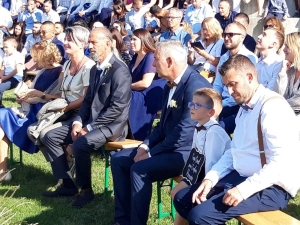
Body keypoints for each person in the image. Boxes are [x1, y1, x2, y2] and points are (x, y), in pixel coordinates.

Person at [173, 54, 300, 225]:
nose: (230, 91)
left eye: (233, 85)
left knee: (200, 216)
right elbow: (234, 152)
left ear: (249, 77)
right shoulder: (244, 107)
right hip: (243, 175)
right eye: (226, 86)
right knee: (183, 198)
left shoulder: (272, 107)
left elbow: (280, 163)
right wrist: (210, 178)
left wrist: (243, 190)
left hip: (273, 187)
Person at [110, 40, 211, 225]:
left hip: (187, 153)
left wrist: (150, 153)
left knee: (140, 169)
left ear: (170, 61)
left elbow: (185, 132)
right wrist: (145, 145)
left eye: (156, 59)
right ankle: (122, 220)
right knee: (119, 160)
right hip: (169, 147)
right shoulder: (169, 84)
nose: (154, 64)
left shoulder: (196, 86)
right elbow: (162, 125)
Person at [42, 27, 132, 208]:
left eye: (93, 42)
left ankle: (86, 190)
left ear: (108, 43)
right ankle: (68, 184)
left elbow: (117, 108)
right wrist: (78, 121)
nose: (90, 46)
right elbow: (88, 101)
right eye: (89, 42)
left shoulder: (119, 70)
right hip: (92, 122)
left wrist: (89, 128)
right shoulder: (95, 69)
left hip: (112, 126)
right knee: (50, 136)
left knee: (80, 144)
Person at [27, 25, 95, 163]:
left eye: (70, 40)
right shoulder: (67, 64)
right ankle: (64, 163)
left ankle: (65, 168)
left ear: (82, 44)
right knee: (32, 131)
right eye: (65, 39)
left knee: (46, 134)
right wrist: (44, 97)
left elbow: (86, 98)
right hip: (62, 109)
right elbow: (62, 94)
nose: (65, 43)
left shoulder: (89, 66)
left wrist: (66, 107)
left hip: (78, 114)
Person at [0, 41, 62, 182]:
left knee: (1, 119)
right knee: (0, 120)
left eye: (36, 56)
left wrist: (38, 94)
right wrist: (24, 96)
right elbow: (32, 91)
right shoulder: (42, 71)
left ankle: (3, 171)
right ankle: (2, 170)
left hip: (43, 112)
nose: (33, 59)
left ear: (45, 55)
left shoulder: (60, 71)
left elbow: (59, 97)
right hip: (30, 107)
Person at [171, 87, 231, 225]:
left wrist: (191, 185)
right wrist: (187, 179)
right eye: (191, 104)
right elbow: (195, 158)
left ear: (211, 112)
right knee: (178, 194)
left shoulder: (214, 132)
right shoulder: (199, 127)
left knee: (184, 198)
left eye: (197, 105)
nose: (192, 107)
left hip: (217, 181)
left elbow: (212, 166)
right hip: (200, 175)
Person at [213, 22, 257, 135]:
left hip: (239, 105)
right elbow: (218, 85)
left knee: (217, 129)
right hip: (223, 102)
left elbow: (246, 90)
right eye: (224, 34)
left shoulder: (249, 58)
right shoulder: (224, 57)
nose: (226, 38)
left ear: (242, 37)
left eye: (231, 34)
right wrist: (215, 102)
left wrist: (221, 104)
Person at [129, 28, 166, 140]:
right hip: (137, 89)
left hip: (151, 91)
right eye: (131, 39)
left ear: (143, 40)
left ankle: (136, 136)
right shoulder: (135, 57)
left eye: (134, 39)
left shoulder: (150, 56)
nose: (131, 42)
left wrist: (124, 87)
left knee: (131, 98)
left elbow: (146, 83)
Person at [187, 17, 223, 83]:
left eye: (207, 30)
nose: (205, 32)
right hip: (196, 68)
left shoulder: (220, 42)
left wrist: (204, 54)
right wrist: (191, 51)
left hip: (209, 72)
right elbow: (192, 62)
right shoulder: (200, 42)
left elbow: (218, 62)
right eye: (203, 29)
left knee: (195, 79)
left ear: (214, 29)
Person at [256, 28, 285, 94]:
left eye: (264, 35)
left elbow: (270, 92)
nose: (258, 36)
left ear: (273, 44)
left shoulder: (279, 64)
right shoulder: (257, 63)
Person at [0, 37, 24, 108]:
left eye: (6, 47)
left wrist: (3, 79)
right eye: (4, 47)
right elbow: (3, 67)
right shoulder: (6, 56)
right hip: (5, 76)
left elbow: (16, 70)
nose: (4, 49)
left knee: (0, 88)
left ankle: (1, 106)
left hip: (15, 77)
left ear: (14, 47)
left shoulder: (18, 56)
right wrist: (1, 76)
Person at [282, 32, 300, 119]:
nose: (284, 50)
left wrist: (276, 104)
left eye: (287, 46)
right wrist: (282, 73)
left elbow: (298, 101)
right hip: (288, 116)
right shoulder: (290, 71)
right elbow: (280, 93)